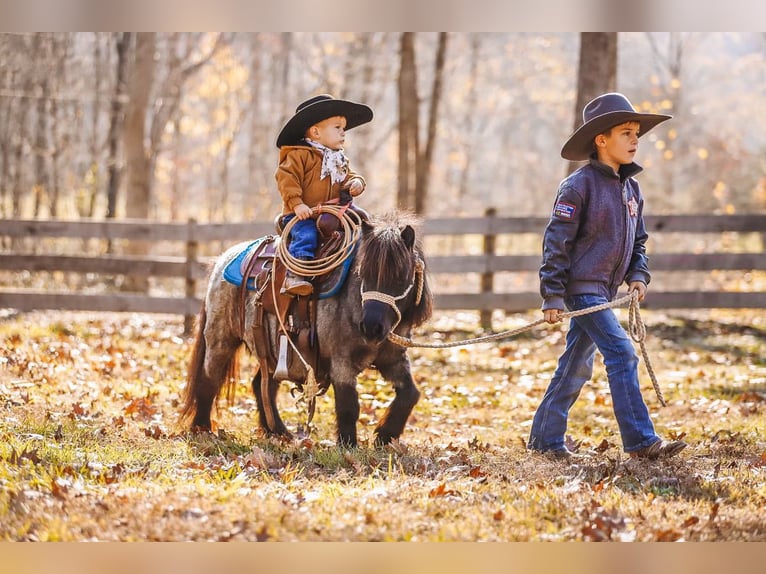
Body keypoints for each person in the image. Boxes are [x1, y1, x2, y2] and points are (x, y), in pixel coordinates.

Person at [528, 92, 687, 461]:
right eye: (626, 133)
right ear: (601, 139)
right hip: (582, 290)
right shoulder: (577, 186)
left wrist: (638, 275)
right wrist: (552, 295)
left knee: (575, 365)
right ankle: (641, 442)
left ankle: (544, 440)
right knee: (621, 352)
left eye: (636, 134)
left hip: (606, 290)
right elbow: (556, 242)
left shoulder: (631, 188)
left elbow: (639, 241)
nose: (635, 140)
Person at [275, 94, 373, 296]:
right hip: (303, 214)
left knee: (366, 222)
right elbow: (286, 178)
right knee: (306, 235)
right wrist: (297, 204)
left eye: (344, 128)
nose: (343, 133)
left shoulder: (337, 158)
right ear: (316, 132)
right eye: (338, 127)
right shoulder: (298, 154)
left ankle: (371, 265)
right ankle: (296, 275)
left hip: (335, 211)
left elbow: (348, 175)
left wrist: (357, 182)